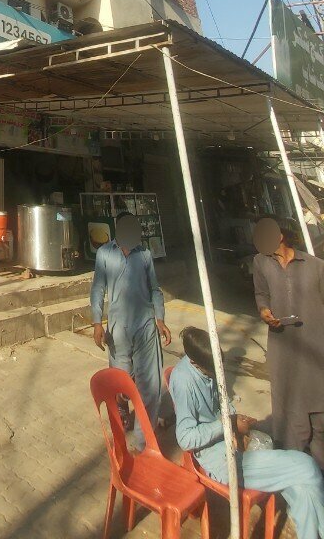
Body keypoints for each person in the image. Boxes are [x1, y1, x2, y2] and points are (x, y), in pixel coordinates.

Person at [170, 326, 324, 539]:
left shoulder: (207, 367)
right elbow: (185, 438)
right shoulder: (184, 382)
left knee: (302, 489)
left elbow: (223, 400)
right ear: (195, 362)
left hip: (233, 443)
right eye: (212, 370)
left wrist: (236, 418)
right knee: (307, 467)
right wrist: (228, 424)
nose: (217, 374)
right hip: (222, 461)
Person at [90, 212, 171, 449]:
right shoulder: (104, 253)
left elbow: (155, 289)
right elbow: (98, 288)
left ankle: (143, 442)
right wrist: (97, 322)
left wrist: (160, 318)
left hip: (146, 324)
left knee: (151, 385)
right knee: (122, 379)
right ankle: (123, 406)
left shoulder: (144, 255)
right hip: (117, 328)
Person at [252, 216, 324, 468]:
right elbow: (261, 293)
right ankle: (297, 476)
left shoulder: (315, 266)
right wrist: (264, 310)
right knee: (291, 415)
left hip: (315, 351)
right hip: (283, 351)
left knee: (319, 415)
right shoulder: (260, 263)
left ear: (280, 236)